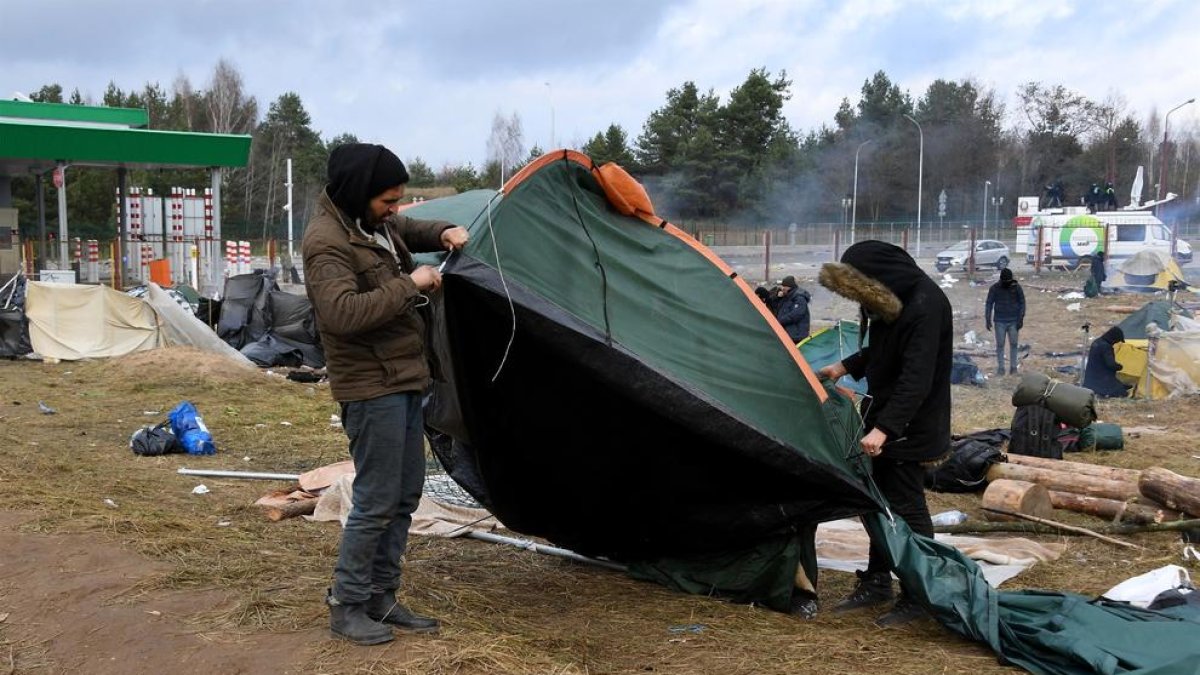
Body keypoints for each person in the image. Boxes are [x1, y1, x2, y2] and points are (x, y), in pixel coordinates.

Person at [303, 143, 469, 645]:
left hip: (404, 378)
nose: (394, 209)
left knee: (403, 496)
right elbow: (343, 314)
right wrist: (412, 283)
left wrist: (442, 230)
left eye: (398, 200)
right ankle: (347, 603)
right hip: (371, 386)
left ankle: (381, 596)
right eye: (387, 200)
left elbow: (406, 230)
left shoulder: (370, 223)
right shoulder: (327, 242)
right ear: (359, 194)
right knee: (375, 499)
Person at [816, 241, 952, 626]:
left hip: (911, 425)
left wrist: (884, 430)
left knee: (908, 508)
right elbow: (883, 351)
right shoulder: (894, 302)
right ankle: (877, 581)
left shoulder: (927, 305)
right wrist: (841, 367)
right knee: (876, 503)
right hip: (885, 415)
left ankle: (919, 594)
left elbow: (916, 377)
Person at [985, 268, 1026, 375]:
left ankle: (1013, 368)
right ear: (1001, 280)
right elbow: (989, 303)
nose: (1008, 283)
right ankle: (1001, 369)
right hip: (999, 321)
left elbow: (1022, 303)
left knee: (1014, 344)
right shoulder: (994, 288)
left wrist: (1021, 318)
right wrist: (987, 318)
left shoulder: (1016, 287)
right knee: (1000, 345)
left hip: (1013, 320)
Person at [1083, 327, 1132, 398]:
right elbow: (1111, 364)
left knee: (1119, 386)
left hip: (1090, 380)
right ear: (1113, 338)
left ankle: (1119, 386)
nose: (1116, 343)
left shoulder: (1097, 342)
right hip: (1101, 380)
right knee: (1123, 393)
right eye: (1117, 340)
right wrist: (1119, 366)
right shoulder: (1105, 347)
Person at [774, 275, 812, 342]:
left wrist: (780, 321)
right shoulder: (786, 296)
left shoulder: (799, 298)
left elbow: (796, 315)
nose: (782, 288)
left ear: (788, 287)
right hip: (789, 333)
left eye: (783, 286)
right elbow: (777, 309)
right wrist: (778, 298)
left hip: (796, 334)